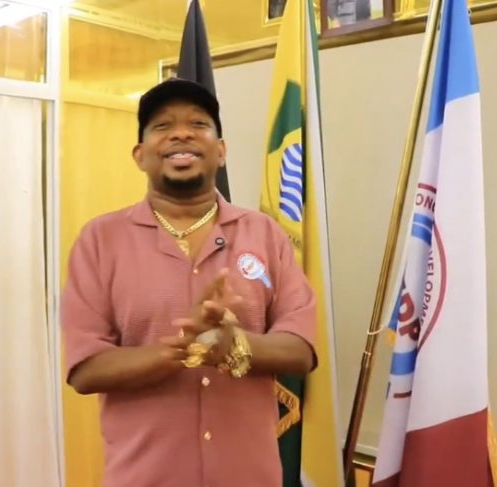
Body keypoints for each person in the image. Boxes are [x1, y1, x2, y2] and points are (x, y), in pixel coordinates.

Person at [61, 77, 317, 487]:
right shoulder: (100, 240)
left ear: (221, 151)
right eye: (162, 126)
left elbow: (300, 350)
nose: (181, 133)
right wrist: (183, 350)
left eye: (198, 124)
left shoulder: (265, 234)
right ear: (140, 155)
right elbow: (85, 369)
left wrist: (234, 345)